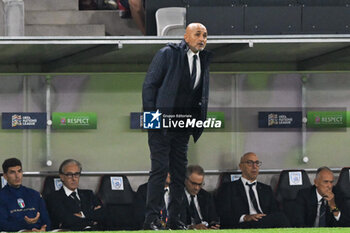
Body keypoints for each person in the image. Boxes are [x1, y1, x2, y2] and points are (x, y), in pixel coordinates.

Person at [142, 22, 211, 230]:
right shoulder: (167, 54)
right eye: (198, 34)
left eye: (205, 36)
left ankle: (175, 219)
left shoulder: (203, 60)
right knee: (160, 171)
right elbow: (149, 86)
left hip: (183, 125)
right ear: (186, 37)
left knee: (180, 174)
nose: (202, 39)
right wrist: (152, 123)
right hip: (161, 125)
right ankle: (151, 220)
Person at [216, 152, 290, 229]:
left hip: (265, 223)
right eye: (249, 163)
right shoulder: (228, 188)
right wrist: (245, 217)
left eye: (257, 163)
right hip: (244, 226)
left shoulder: (266, 189)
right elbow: (223, 215)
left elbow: (275, 211)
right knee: (280, 218)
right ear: (241, 166)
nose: (254, 166)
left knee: (282, 216)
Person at [46, 159, 104, 230]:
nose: (74, 179)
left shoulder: (89, 194)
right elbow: (67, 220)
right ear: (62, 177)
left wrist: (82, 214)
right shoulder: (53, 198)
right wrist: (92, 218)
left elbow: (103, 214)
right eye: (69, 175)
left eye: (76, 174)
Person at [0, 158, 51, 232]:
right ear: (5, 176)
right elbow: (3, 225)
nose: (17, 176)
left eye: (19, 171)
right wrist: (25, 225)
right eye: (12, 172)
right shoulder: (1, 197)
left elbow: (47, 221)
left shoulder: (35, 195)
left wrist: (44, 229)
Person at [181, 165, 219, 230]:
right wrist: (192, 228)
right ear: (185, 180)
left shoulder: (206, 196)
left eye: (200, 184)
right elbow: (176, 223)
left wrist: (213, 226)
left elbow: (214, 218)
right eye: (193, 183)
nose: (197, 188)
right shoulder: (178, 197)